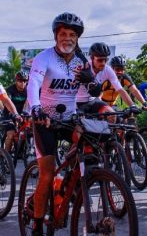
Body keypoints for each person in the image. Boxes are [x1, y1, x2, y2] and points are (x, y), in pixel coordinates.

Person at [27, 12, 97, 236]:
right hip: (45, 120)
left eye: (72, 35)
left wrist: (91, 83)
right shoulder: (44, 58)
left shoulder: (82, 61)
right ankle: (37, 223)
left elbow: (93, 92)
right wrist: (36, 108)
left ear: (77, 38)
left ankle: (68, 183)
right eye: (63, 34)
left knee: (90, 148)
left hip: (69, 118)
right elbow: (33, 84)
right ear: (56, 36)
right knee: (46, 175)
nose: (67, 38)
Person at [76, 43, 139, 117]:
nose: (103, 63)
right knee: (79, 125)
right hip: (76, 102)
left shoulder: (108, 70)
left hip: (93, 101)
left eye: (105, 60)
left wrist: (132, 105)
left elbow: (120, 90)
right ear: (92, 58)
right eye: (100, 60)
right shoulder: (82, 68)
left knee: (113, 116)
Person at [2, 70, 29, 153]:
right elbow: (7, 102)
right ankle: (6, 156)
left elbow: (28, 102)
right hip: (9, 114)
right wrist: (14, 114)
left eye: (25, 81)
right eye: (20, 81)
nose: (23, 83)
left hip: (22, 114)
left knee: (27, 131)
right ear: (16, 81)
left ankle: (21, 151)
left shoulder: (28, 90)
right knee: (10, 134)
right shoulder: (10, 90)